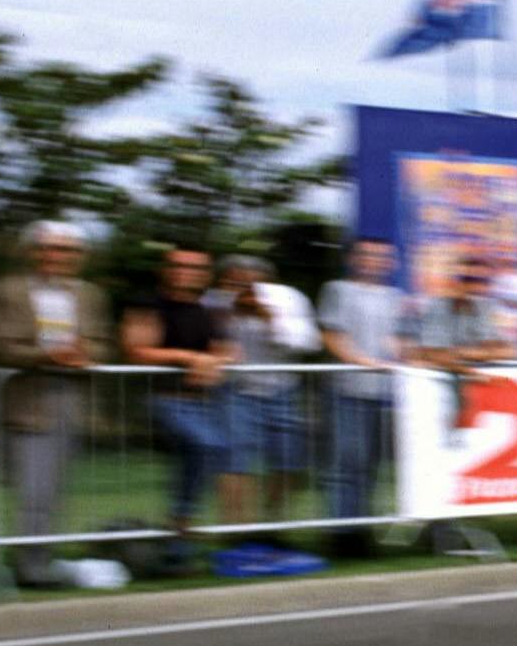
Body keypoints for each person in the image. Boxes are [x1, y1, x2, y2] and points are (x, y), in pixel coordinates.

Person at [0, 221, 114, 585]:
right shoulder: (7, 291)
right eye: (49, 248)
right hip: (27, 399)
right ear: (33, 252)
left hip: (71, 398)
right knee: (33, 489)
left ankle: (40, 559)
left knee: (53, 489)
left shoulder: (90, 294)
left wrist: (86, 355)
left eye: (67, 250)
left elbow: (102, 343)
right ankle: (31, 566)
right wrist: (50, 355)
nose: (57, 256)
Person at [121, 246, 233, 541]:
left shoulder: (209, 311)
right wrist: (189, 358)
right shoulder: (147, 303)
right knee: (208, 445)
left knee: (204, 454)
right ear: (165, 270)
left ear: (205, 274)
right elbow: (138, 350)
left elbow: (226, 350)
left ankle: (179, 528)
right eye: (179, 265)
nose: (186, 272)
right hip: (163, 399)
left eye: (195, 268)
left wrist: (215, 362)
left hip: (202, 402)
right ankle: (180, 521)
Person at [203, 254, 320, 529]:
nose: (242, 285)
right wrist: (228, 311)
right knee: (233, 460)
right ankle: (235, 529)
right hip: (236, 389)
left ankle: (272, 524)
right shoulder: (213, 300)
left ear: (266, 280)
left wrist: (269, 319)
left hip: (282, 389)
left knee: (288, 460)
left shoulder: (289, 298)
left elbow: (308, 342)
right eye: (234, 279)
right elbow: (205, 339)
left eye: (250, 280)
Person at [318, 237, 412, 555]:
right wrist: (362, 362)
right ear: (355, 259)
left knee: (370, 465)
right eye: (368, 256)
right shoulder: (339, 290)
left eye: (382, 257)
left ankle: (360, 530)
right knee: (346, 462)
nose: (375, 261)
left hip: (381, 393)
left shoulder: (394, 296)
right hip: (347, 388)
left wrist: (402, 360)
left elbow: (396, 340)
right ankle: (340, 532)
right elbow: (332, 336)